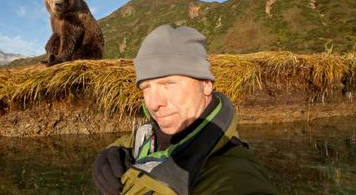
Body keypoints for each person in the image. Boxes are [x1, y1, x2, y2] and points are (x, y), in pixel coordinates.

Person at [92, 25, 278, 195]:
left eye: (169, 83)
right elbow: (135, 139)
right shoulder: (150, 134)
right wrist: (113, 151)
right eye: (146, 87)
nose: (153, 103)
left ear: (206, 85)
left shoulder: (235, 176)